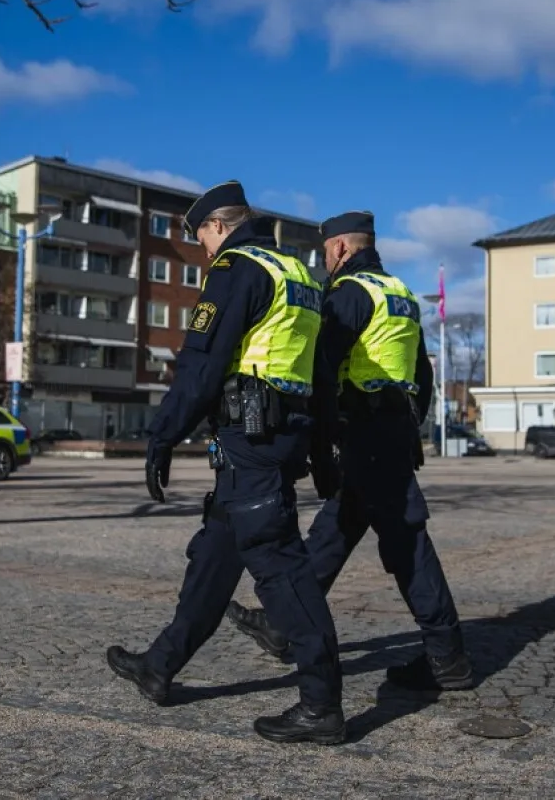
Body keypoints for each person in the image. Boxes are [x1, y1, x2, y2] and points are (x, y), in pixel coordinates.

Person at [105, 181, 347, 745]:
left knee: (281, 569)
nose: (204, 252)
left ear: (217, 226)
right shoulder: (298, 274)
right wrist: (321, 448)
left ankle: (322, 704)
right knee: (217, 553)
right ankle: (160, 666)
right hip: (279, 436)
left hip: (250, 442)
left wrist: (163, 435)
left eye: (202, 239)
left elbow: (202, 363)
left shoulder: (237, 268)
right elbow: (321, 373)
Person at [225, 210, 475, 693]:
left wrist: (314, 441)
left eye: (325, 253)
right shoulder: (399, 292)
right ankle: (281, 626)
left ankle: (449, 657)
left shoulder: (350, 294)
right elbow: (421, 375)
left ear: (339, 248)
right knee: (333, 532)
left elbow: (323, 369)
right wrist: (408, 428)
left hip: (365, 432)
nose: (325, 262)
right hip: (389, 432)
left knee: (408, 546)